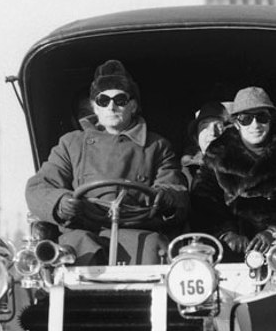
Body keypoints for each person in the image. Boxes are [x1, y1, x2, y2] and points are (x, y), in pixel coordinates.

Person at [25, 59, 189, 265]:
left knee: (154, 247)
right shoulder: (71, 143)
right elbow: (39, 187)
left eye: (120, 100)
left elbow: (175, 188)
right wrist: (61, 203)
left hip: (137, 231)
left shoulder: (156, 146)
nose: (111, 107)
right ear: (95, 107)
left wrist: (164, 197)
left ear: (133, 105)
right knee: (71, 251)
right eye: (103, 101)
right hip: (83, 231)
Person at [191, 86, 276, 267]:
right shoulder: (216, 155)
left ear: (271, 120)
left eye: (262, 118)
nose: (255, 125)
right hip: (233, 248)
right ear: (235, 123)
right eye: (246, 119)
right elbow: (204, 199)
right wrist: (226, 233)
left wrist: (275, 230)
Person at [180, 101, 230, 186]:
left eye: (219, 126)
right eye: (204, 126)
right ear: (196, 138)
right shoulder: (185, 171)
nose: (212, 133)